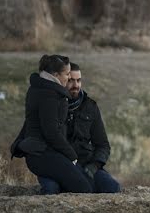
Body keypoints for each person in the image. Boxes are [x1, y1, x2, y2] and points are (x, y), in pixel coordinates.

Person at [10, 54, 93, 193]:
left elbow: (32, 121)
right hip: (41, 154)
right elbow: (51, 132)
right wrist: (71, 155)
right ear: (55, 74)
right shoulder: (49, 95)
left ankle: (49, 184)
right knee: (83, 188)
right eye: (67, 74)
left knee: (77, 183)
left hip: (48, 152)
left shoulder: (42, 88)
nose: (68, 78)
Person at [35, 62, 121, 194]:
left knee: (112, 187)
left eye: (79, 80)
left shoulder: (90, 107)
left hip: (85, 165)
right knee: (51, 190)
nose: (76, 85)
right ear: (62, 81)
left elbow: (103, 145)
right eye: (71, 81)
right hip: (57, 167)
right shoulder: (50, 104)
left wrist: (95, 165)